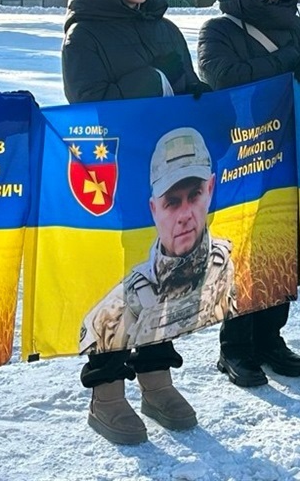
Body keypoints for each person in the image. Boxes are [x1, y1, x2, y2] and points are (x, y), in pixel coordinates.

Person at [61, 0, 210, 445]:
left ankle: (156, 381)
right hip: (113, 176)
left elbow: (184, 83)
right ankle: (106, 397)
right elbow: (86, 101)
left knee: (165, 276)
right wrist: (150, 83)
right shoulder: (85, 32)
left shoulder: (165, 28)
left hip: (165, 172)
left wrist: (202, 98)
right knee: (116, 284)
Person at [197, 0, 300, 387]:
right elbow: (222, 78)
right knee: (245, 251)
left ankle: (272, 337)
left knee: (282, 250)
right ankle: (235, 347)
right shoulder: (219, 29)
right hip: (244, 158)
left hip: (291, 152)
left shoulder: (295, 25)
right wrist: (289, 63)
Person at [79, 127, 236, 352]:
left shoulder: (238, 271)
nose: (185, 215)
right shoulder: (112, 315)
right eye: (172, 202)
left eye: (195, 195)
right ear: (154, 210)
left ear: (210, 189)